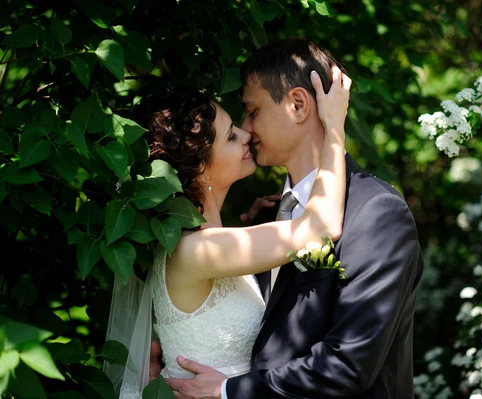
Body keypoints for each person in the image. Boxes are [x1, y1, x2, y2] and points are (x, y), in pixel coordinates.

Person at [160, 38, 424, 399]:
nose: (248, 130)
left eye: (253, 112)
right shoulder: (264, 220)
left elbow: (348, 365)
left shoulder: (376, 212)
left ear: (298, 104)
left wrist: (227, 391)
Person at [104, 65, 352, 398]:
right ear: (199, 169)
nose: (247, 134)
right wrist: (334, 126)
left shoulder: (208, 242)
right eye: (232, 135)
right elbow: (321, 228)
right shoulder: (197, 249)